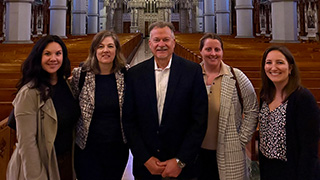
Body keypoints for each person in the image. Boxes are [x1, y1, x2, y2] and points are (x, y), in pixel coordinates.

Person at [122, 21, 208, 180]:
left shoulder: (192, 71)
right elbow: (129, 121)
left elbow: (199, 121)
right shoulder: (135, 74)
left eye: (166, 40)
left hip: (182, 168)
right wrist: (144, 158)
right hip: (146, 167)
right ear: (150, 43)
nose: (161, 44)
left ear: (174, 42)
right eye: (156, 40)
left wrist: (180, 161)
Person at [6, 35, 80, 180]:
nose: (53, 58)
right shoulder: (29, 93)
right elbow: (27, 144)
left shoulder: (65, 85)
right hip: (41, 165)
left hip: (65, 162)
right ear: (38, 57)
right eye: (47, 54)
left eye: (58, 54)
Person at [197, 33, 259, 180]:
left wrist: (241, 140)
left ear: (222, 52)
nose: (213, 54)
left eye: (217, 49)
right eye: (208, 49)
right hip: (196, 150)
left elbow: (252, 110)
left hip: (230, 149)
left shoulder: (236, 76)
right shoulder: (192, 75)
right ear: (201, 51)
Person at [70, 30, 129, 180]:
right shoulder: (80, 74)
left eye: (110, 46)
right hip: (87, 147)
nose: (105, 50)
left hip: (117, 146)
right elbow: (71, 102)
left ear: (116, 50)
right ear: (94, 50)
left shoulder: (127, 74)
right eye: (101, 46)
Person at [259, 45, 320, 180]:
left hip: (293, 169)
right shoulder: (265, 96)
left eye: (279, 62)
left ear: (290, 68)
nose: (273, 67)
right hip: (268, 168)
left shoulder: (302, 98)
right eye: (269, 63)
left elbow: (309, 149)